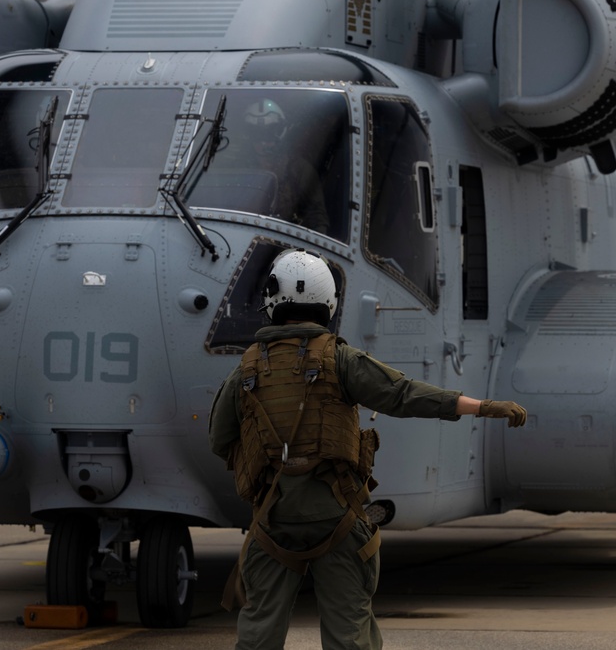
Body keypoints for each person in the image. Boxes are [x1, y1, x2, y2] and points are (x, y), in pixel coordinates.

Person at [209, 249, 527, 650]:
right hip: (338, 517)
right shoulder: (340, 359)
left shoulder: (246, 370)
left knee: (258, 633)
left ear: (272, 300)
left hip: (274, 520)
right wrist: (481, 407)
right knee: (349, 634)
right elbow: (404, 395)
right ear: (328, 303)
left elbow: (220, 440)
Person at [238, 99, 330, 233]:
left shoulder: (298, 169)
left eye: (269, 134)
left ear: (280, 133)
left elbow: (317, 217)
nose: (263, 142)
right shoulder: (241, 168)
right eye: (257, 134)